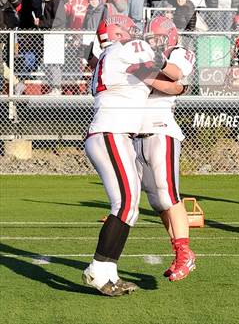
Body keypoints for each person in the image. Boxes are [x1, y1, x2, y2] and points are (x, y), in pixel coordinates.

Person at [83, 15, 184, 295]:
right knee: (126, 203)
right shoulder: (127, 49)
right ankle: (97, 270)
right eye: (128, 29)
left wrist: (172, 84)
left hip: (115, 133)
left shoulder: (112, 56)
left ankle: (107, 272)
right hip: (111, 133)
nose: (135, 33)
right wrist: (175, 74)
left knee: (128, 207)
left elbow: (162, 84)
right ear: (117, 33)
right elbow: (173, 79)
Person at [134, 16, 196, 281]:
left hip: (161, 129)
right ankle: (178, 249)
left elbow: (174, 79)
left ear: (169, 38)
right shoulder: (141, 58)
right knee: (157, 200)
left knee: (169, 193)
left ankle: (185, 252)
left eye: (157, 38)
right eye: (149, 38)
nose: (152, 43)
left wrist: (145, 74)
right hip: (137, 132)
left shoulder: (178, 52)